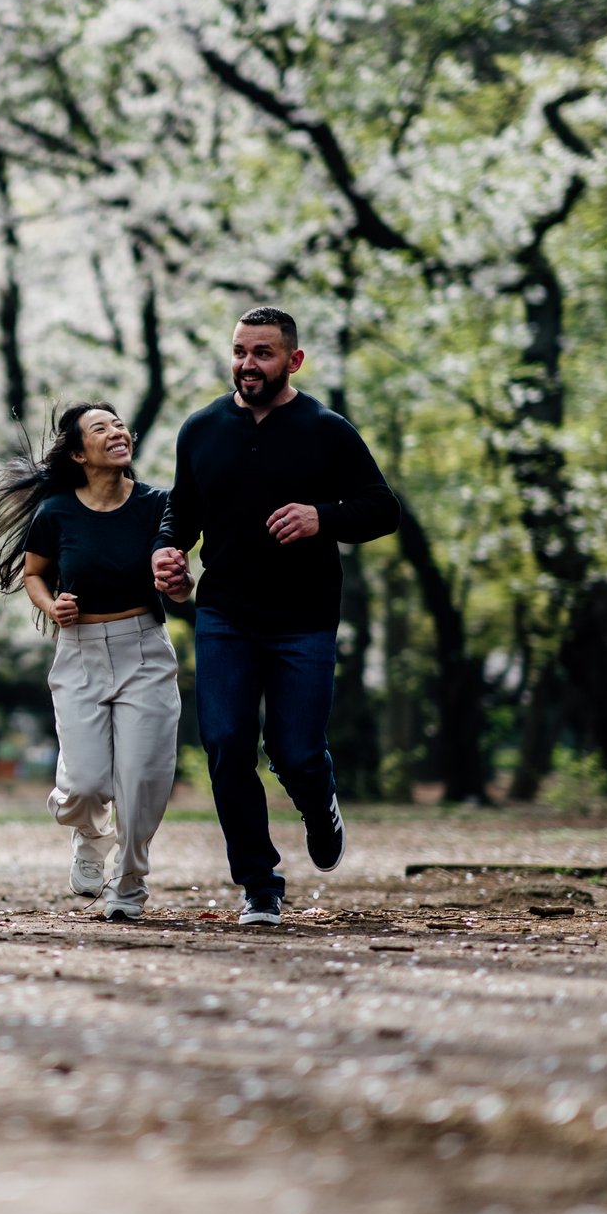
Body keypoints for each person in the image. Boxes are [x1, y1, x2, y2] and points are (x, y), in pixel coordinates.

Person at [153, 307, 401, 926]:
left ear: (292, 361)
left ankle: (321, 810)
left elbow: (381, 508)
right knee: (227, 744)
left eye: (262, 353)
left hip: (305, 618)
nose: (247, 365)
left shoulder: (326, 430)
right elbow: (180, 513)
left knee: (294, 750)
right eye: (239, 351)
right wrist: (167, 551)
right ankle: (259, 884)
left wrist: (324, 516)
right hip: (225, 614)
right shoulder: (201, 428)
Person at [0, 403, 182, 923]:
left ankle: (129, 884)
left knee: (143, 780)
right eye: (100, 428)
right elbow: (34, 573)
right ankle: (89, 835)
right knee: (86, 784)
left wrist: (178, 580)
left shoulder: (160, 505)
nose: (116, 432)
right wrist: (51, 606)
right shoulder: (57, 513)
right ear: (78, 452)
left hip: (145, 649)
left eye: (119, 425)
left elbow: (177, 569)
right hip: (81, 652)